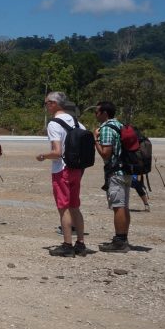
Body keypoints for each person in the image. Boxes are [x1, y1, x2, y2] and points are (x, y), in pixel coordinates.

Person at [36, 92, 86, 257]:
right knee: (75, 206)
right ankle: (80, 243)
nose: (46, 106)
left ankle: (67, 244)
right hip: (77, 169)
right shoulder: (78, 123)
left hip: (62, 169)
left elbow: (57, 153)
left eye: (47, 103)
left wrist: (43, 156)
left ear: (54, 104)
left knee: (63, 208)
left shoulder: (54, 124)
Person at [94, 101, 132, 252]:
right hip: (126, 171)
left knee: (118, 207)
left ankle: (120, 241)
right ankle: (123, 238)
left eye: (97, 112)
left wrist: (95, 140)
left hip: (116, 173)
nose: (95, 115)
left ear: (104, 113)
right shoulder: (120, 125)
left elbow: (105, 154)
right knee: (124, 206)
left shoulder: (107, 129)